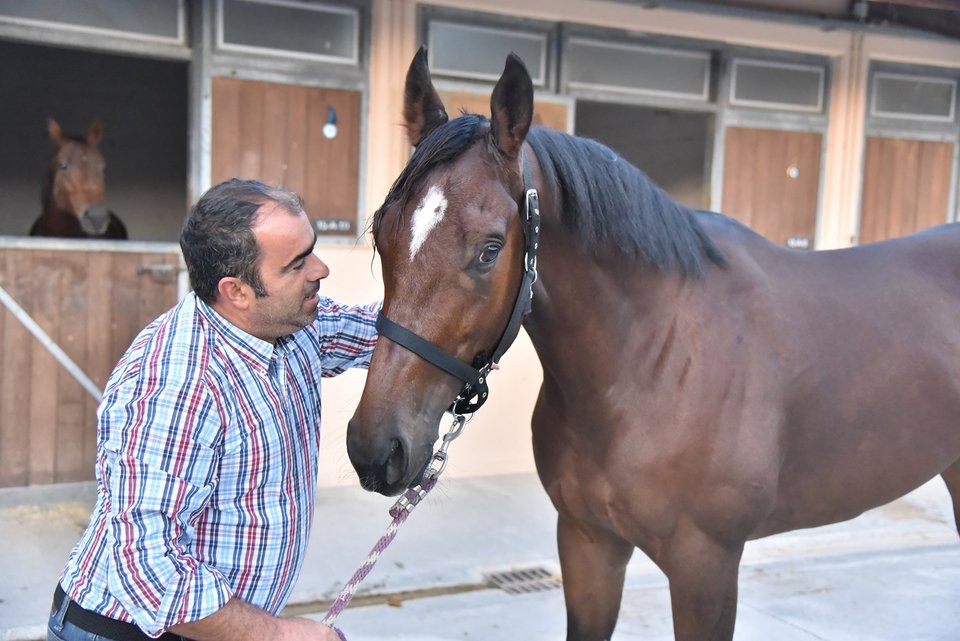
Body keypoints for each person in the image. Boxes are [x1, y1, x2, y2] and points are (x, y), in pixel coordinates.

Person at [47, 179, 380, 641]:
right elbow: (146, 569)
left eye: (312, 250)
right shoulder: (177, 382)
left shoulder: (293, 324)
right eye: (298, 262)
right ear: (237, 291)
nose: (320, 269)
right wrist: (280, 635)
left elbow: (381, 330)